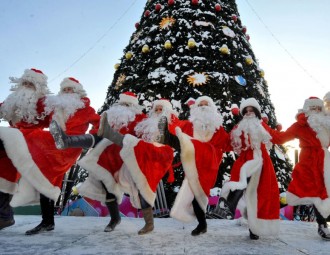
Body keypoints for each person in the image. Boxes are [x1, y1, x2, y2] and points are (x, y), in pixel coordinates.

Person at [50, 97, 176, 235]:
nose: (124, 107)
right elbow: (96, 132)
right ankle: (67, 141)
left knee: (142, 187)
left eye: (128, 104)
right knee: (107, 184)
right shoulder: (116, 118)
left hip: (133, 157)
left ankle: (149, 224)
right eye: (122, 104)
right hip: (110, 157)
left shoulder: (142, 119)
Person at [2, 77, 100, 235]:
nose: (67, 92)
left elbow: (99, 124)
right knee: (47, 182)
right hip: (51, 146)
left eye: (71, 90)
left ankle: (12, 139)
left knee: (30, 137)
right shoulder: (55, 108)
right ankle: (48, 222)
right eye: (65, 90)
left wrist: (90, 138)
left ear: (78, 92)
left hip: (69, 146)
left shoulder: (86, 109)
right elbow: (39, 121)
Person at [159, 96, 231, 236]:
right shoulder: (189, 125)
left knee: (199, 194)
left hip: (208, 165)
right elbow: (176, 124)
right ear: (195, 108)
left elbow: (228, 143)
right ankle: (202, 224)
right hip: (192, 163)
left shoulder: (218, 129)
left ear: (212, 108)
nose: (203, 106)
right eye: (200, 104)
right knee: (194, 195)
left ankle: (202, 224)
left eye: (206, 104)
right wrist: (166, 109)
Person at [216, 98, 280, 240]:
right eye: (246, 111)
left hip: (262, 164)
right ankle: (228, 207)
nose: (249, 113)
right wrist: (216, 129)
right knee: (243, 181)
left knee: (257, 197)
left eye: (251, 110)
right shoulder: (239, 127)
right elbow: (228, 143)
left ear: (256, 112)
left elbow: (277, 137)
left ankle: (253, 227)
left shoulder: (262, 125)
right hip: (245, 161)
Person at [270, 97, 330, 241]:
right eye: (312, 108)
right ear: (307, 110)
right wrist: (265, 128)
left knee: (327, 192)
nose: (316, 111)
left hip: (326, 160)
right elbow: (281, 138)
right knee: (317, 194)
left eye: (318, 108)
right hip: (308, 162)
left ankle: (324, 222)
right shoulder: (299, 125)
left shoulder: (327, 124)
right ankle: (323, 226)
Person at [0, 68, 51, 230]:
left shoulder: (43, 104)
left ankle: (46, 220)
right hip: (10, 142)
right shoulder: (10, 102)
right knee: (3, 172)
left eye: (31, 84)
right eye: (25, 83)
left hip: (32, 143)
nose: (27, 86)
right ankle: (4, 214)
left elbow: (57, 120)